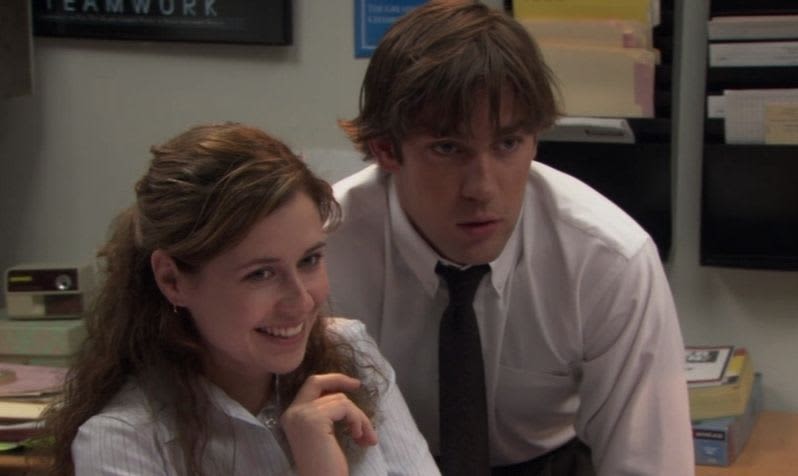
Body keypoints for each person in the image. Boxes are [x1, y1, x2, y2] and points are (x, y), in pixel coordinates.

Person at [326, 1, 694, 475]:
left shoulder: (608, 259)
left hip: (546, 464)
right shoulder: (323, 249)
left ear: (535, 139)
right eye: (447, 148)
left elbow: (648, 464)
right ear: (385, 150)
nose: (481, 188)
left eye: (507, 144)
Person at [41, 123, 439, 476]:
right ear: (172, 279)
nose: (300, 301)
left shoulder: (350, 352)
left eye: (309, 260)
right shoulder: (124, 440)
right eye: (260, 274)